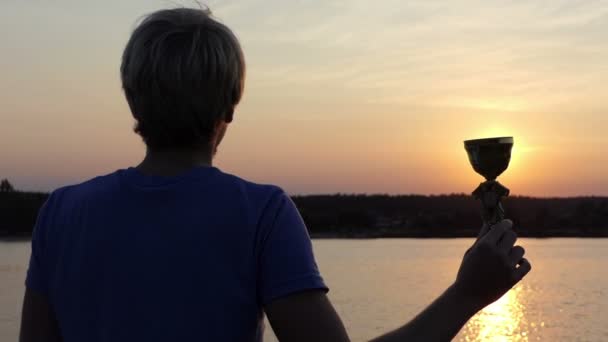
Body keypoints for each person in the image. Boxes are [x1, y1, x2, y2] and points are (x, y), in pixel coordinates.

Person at [19, 7, 531, 342]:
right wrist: (466, 294)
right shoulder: (259, 214)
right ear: (231, 107)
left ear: (132, 98)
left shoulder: (61, 213)